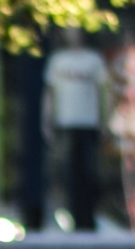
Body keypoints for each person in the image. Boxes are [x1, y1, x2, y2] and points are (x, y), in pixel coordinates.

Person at [43, 32, 108, 230]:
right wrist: (46, 120)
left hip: (88, 122)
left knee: (88, 173)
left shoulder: (93, 60)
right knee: (65, 173)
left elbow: (102, 91)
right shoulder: (58, 60)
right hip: (65, 123)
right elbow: (49, 92)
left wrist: (103, 119)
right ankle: (68, 218)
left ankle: (87, 219)